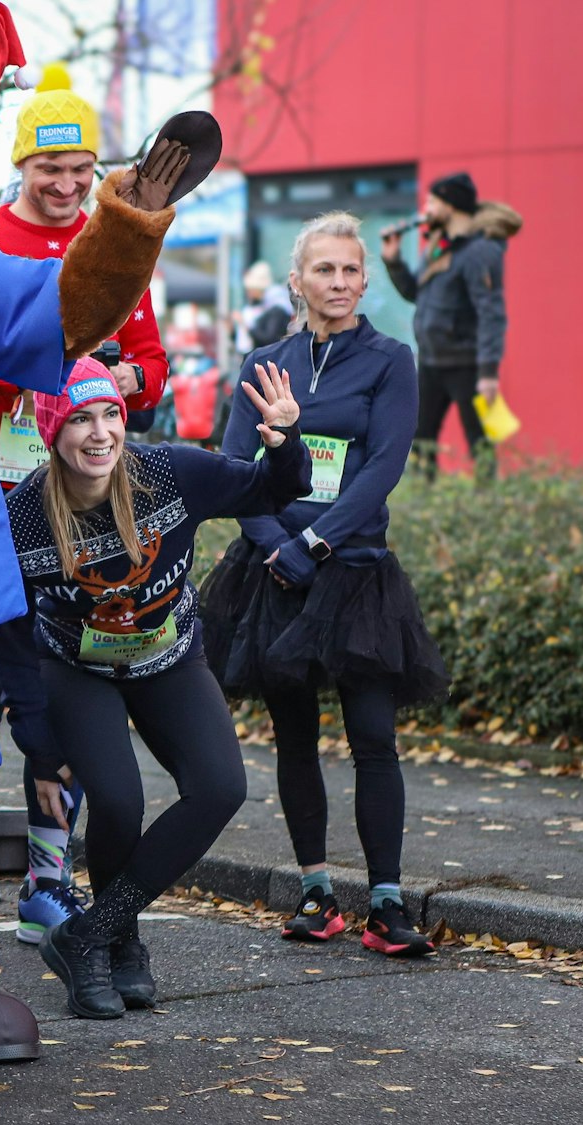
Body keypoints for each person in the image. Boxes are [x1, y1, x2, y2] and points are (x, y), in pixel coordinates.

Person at [7, 358, 307, 1018]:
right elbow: (5, 632)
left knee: (220, 787)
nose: (100, 433)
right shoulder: (23, 516)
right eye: (80, 419)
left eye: (110, 414)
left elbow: (272, 490)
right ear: (53, 431)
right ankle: (120, 947)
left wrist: (286, 440)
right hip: (77, 669)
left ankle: (90, 934)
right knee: (118, 801)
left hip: (169, 658)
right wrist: (39, 742)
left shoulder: (169, 473)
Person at [0, 60, 168, 947]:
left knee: (58, 698)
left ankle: (48, 878)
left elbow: (152, 368)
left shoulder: (113, 243)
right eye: (51, 168)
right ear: (20, 164)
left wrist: (112, 379)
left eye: (82, 169)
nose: (69, 185)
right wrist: (32, 369)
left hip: (77, 511)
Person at [202, 210, 447, 959]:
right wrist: (278, 545)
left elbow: (384, 467)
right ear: (297, 280)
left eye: (350, 270)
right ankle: (315, 891)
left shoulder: (390, 359)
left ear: (365, 280)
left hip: (357, 570)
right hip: (275, 571)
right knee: (296, 738)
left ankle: (386, 903)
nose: (338, 281)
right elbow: (235, 467)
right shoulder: (263, 361)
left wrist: (317, 539)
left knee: (373, 739)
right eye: (324, 269)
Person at [380, 171, 518, 479]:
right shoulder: (439, 245)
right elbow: (415, 292)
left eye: (432, 201)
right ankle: (425, 501)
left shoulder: (480, 251)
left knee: (480, 445)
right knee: (420, 440)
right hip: (431, 362)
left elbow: (491, 314)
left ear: (450, 204)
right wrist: (394, 261)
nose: (426, 208)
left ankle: (488, 500)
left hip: (467, 364)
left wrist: (488, 373)